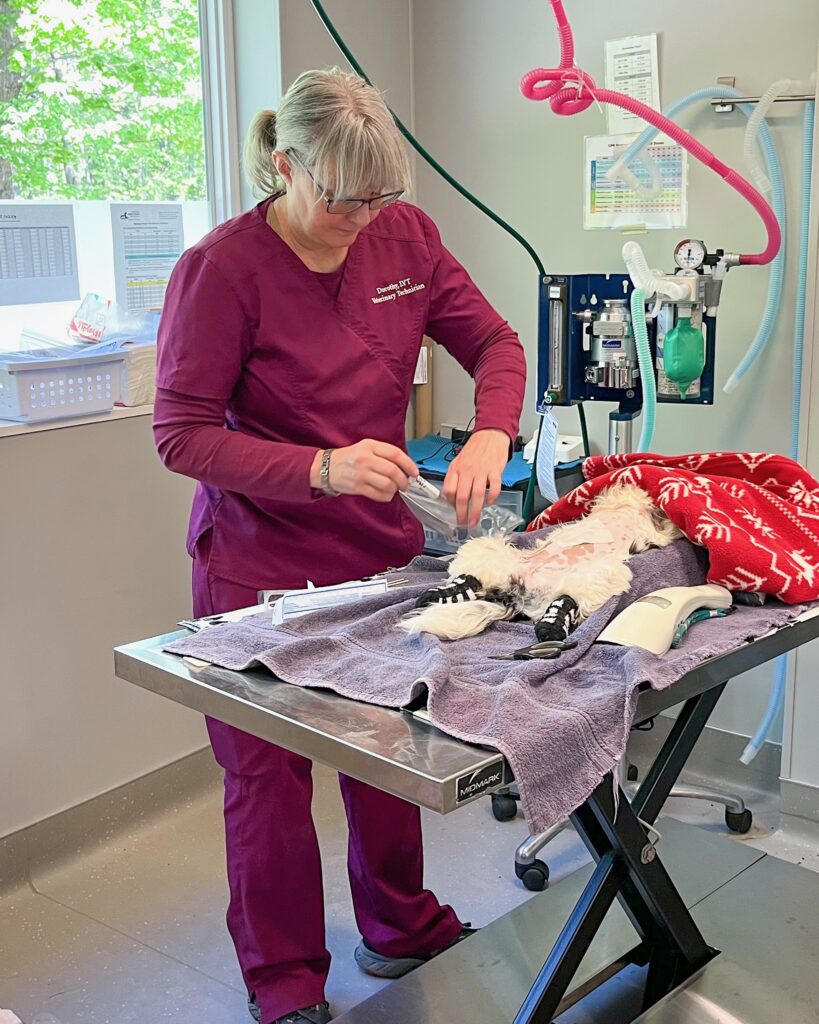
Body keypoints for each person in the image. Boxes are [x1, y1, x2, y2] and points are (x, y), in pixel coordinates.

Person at [153, 68, 526, 1024]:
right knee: (267, 778)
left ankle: (400, 925)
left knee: (388, 742)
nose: (360, 218)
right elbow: (182, 434)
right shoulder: (221, 269)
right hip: (259, 564)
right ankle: (284, 984)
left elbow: (492, 344)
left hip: (377, 547)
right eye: (339, 198)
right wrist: (318, 470)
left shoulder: (402, 234)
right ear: (285, 166)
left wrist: (491, 430)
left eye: (378, 198)